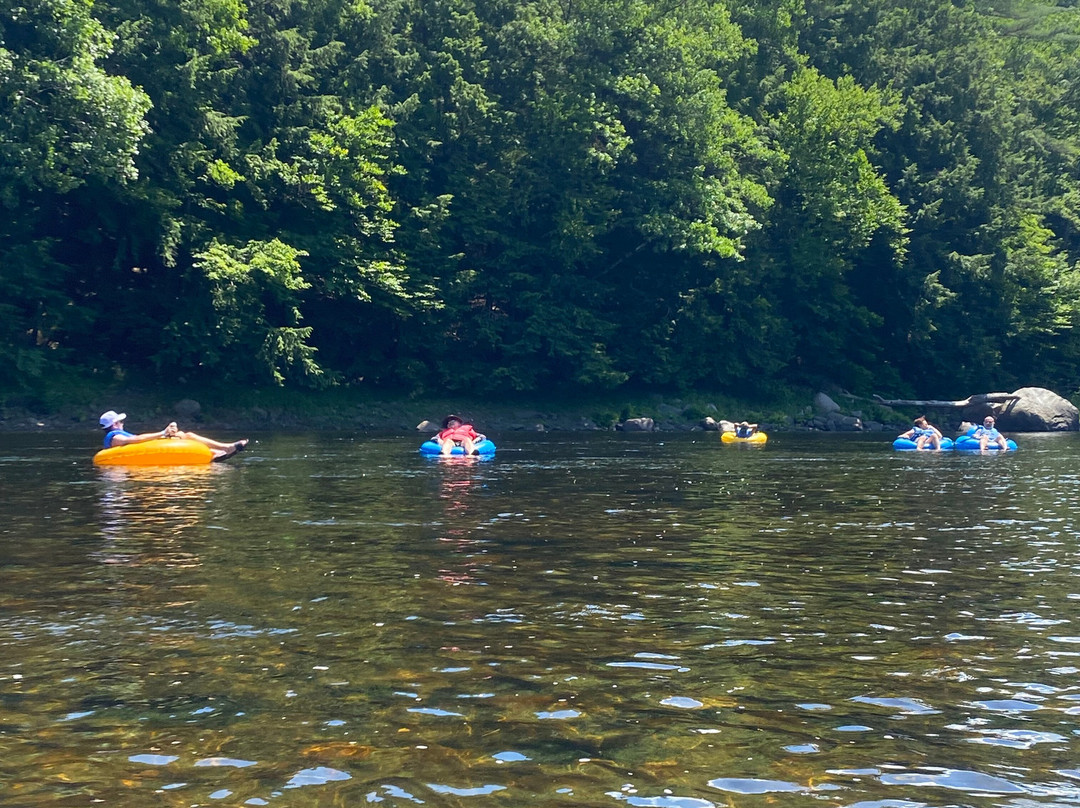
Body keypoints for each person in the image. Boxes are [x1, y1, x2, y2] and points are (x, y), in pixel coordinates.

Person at [99, 410, 249, 461]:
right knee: (187, 435)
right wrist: (162, 433)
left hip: (146, 448)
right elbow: (135, 440)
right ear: (114, 424)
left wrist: (168, 434)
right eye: (120, 421)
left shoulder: (116, 434)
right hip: (137, 454)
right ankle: (224, 448)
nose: (123, 423)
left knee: (183, 434)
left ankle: (217, 452)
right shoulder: (115, 437)